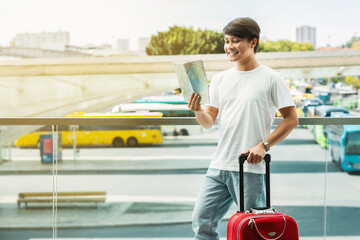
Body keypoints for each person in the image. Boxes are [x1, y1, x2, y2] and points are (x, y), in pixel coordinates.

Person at [188, 17, 299, 240]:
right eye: (227, 41)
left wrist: (263, 145)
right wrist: (198, 110)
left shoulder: (271, 78)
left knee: (254, 231)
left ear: (253, 42)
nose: (229, 47)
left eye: (235, 41)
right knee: (201, 222)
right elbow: (209, 120)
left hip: (250, 166)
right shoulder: (220, 79)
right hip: (219, 165)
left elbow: (291, 119)